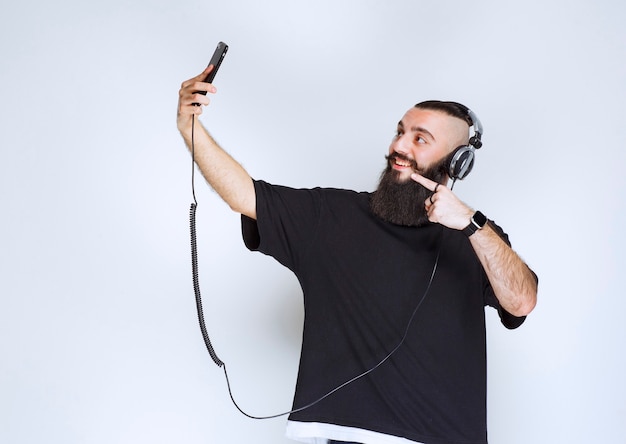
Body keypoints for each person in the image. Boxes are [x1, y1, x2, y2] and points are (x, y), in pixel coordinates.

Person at [177, 66, 538, 444]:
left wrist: (469, 223)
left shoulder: (478, 237)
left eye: (420, 139)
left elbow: (522, 300)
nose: (400, 146)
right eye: (400, 132)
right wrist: (190, 128)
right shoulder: (330, 215)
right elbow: (244, 195)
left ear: (456, 163)